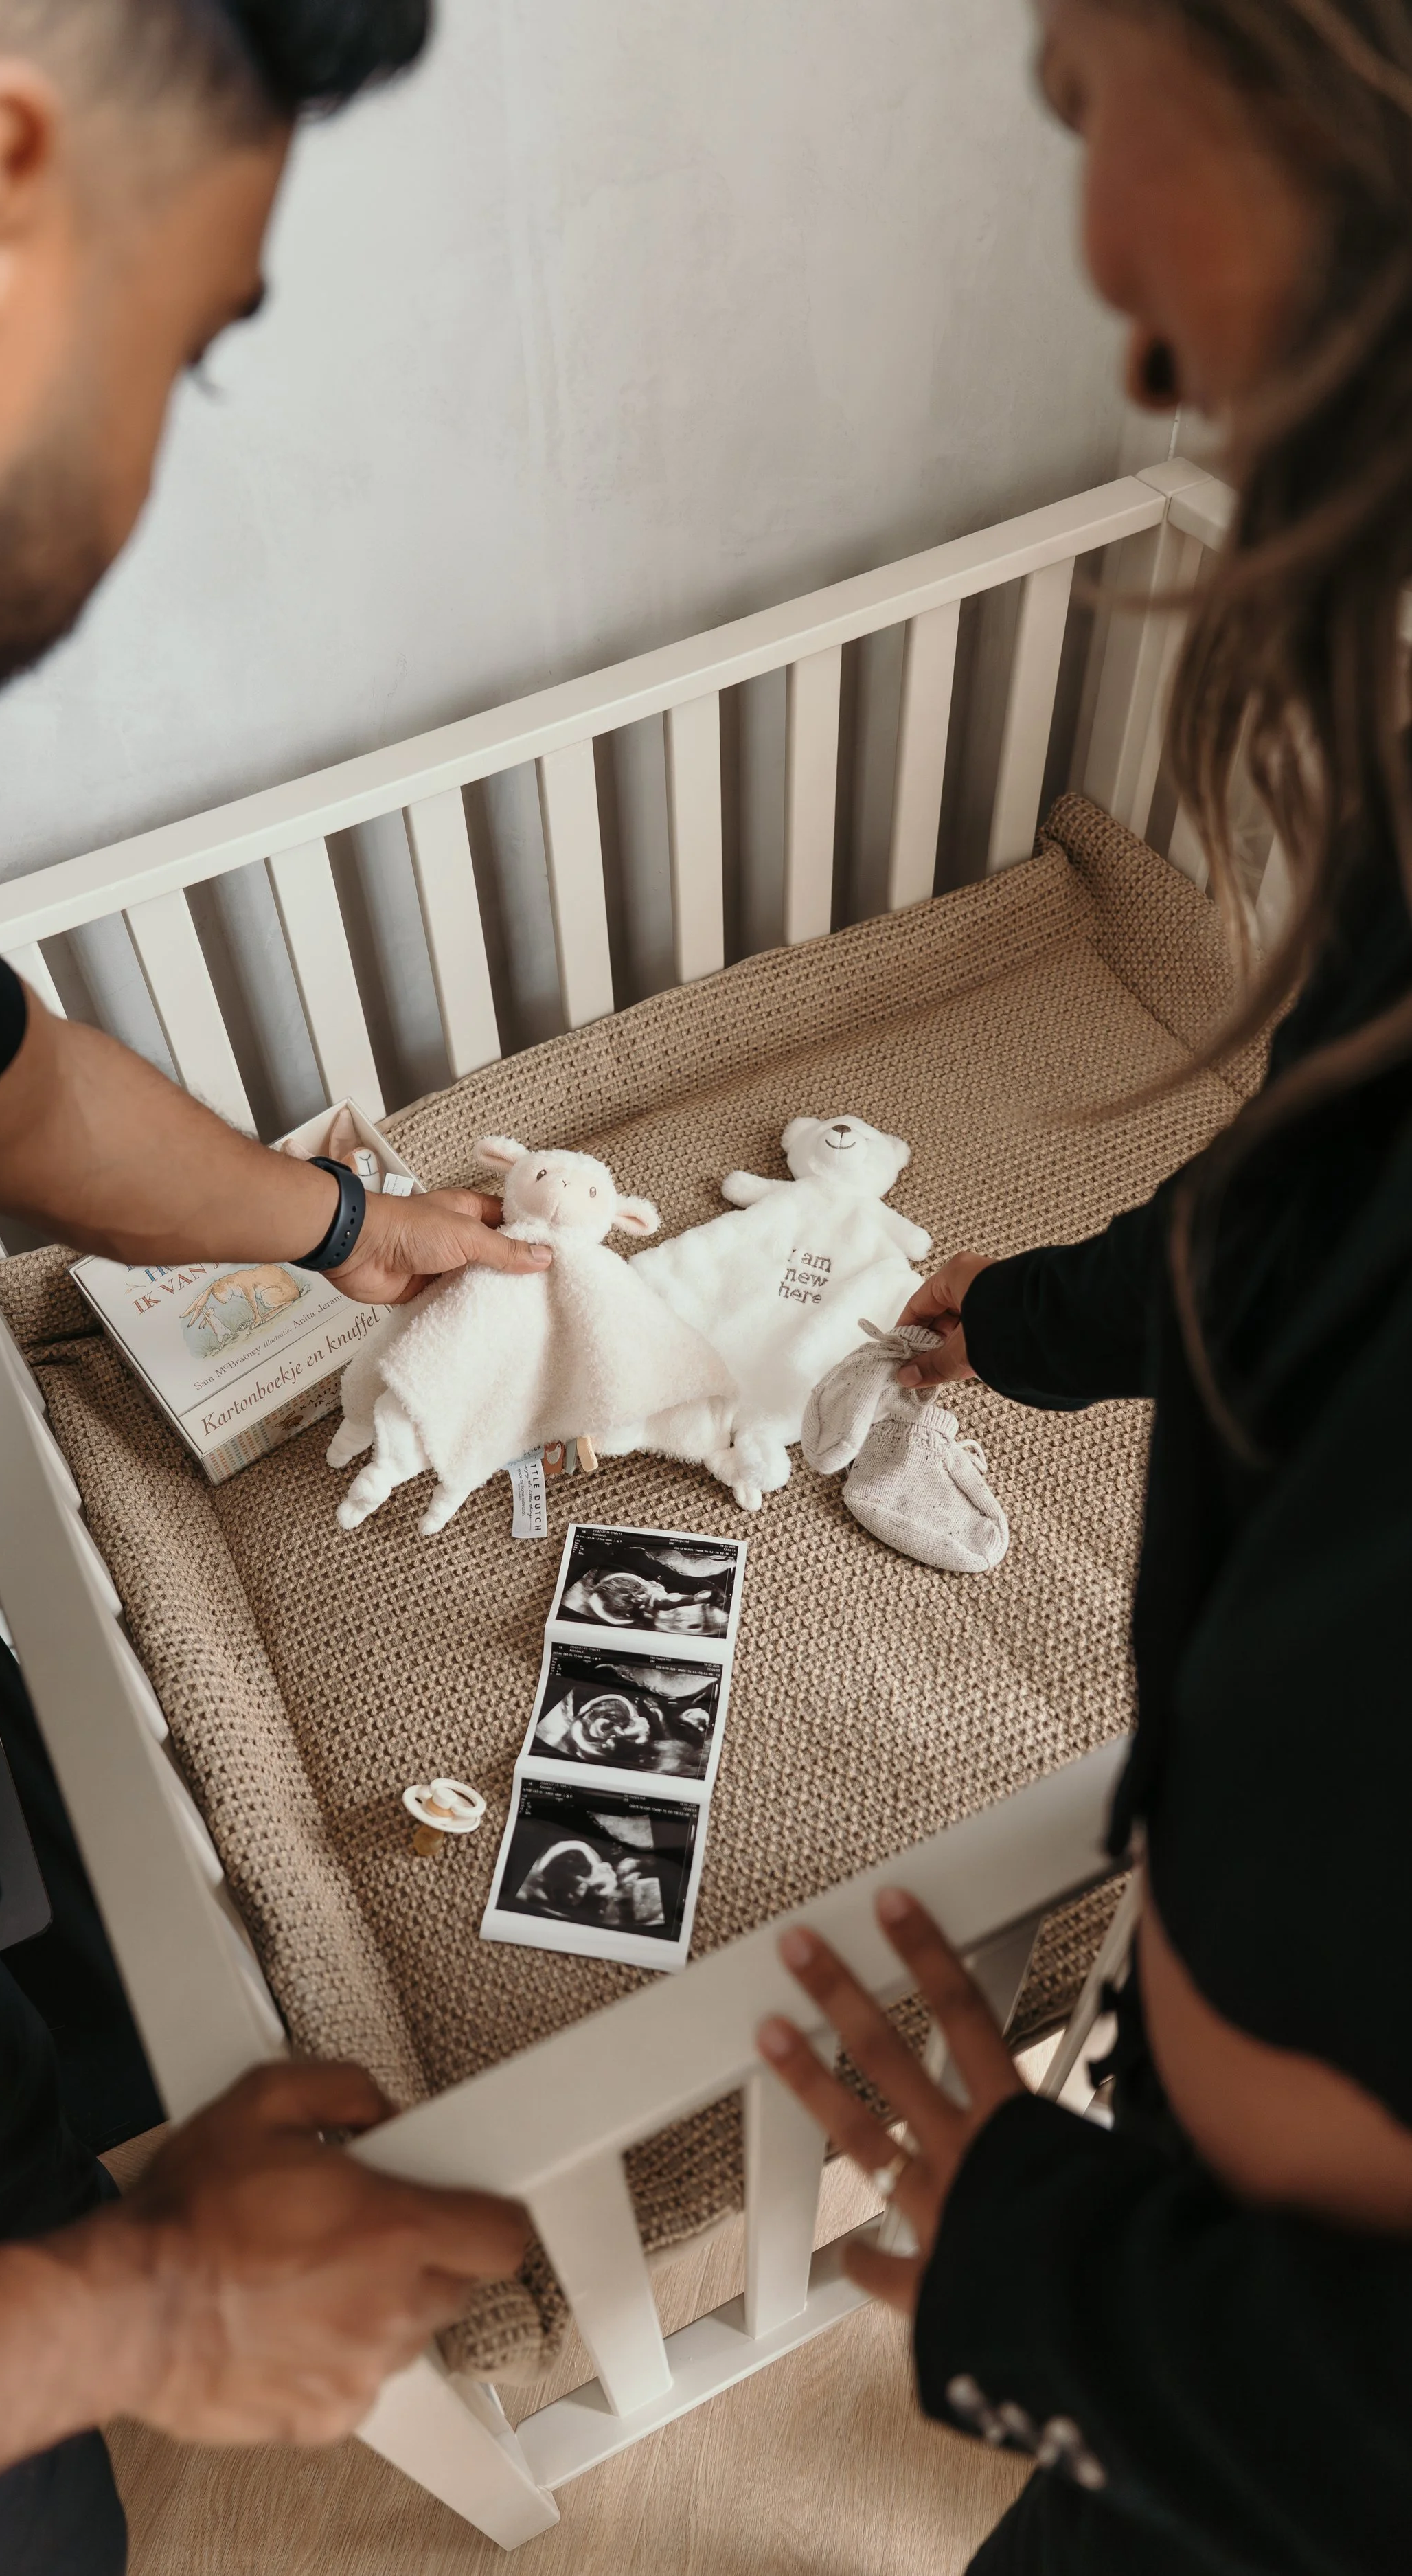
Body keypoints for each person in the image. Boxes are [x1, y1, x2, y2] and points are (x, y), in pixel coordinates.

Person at [0, 6, 549, 2573]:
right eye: (185, 345)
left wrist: (340, 1229)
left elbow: (11, 1089)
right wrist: (153, 2316)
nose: (162, 457)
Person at [756, 3, 1412, 2568]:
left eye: (1071, 96)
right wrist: (1018, 1316)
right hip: (1188, 2283)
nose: (1117, 329)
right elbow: (1301, 1200)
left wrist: (1045, 2273)